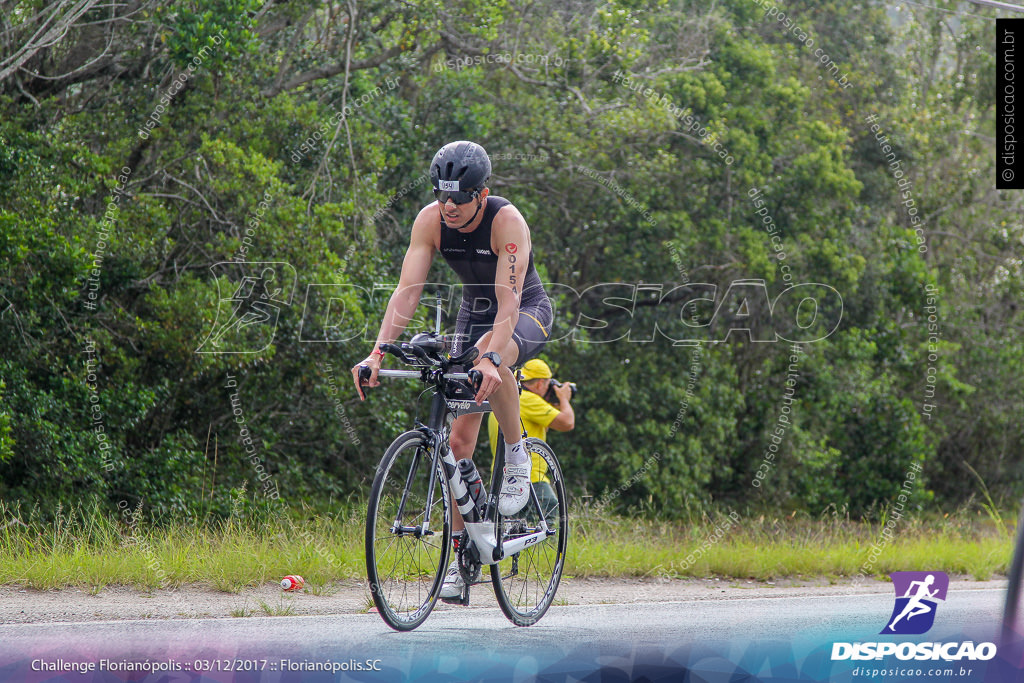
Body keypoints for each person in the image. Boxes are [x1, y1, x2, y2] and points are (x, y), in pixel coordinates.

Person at [351, 140, 553, 600]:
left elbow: (508, 302)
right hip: (473, 314)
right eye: (442, 195)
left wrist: (489, 358)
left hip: (524, 311)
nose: (449, 206)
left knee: (489, 356)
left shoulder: (507, 221)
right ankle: (464, 559)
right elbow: (407, 291)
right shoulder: (431, 219)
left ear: (482, 194)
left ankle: (517, 453)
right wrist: (377, 353)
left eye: (460, 197)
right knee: (457, 444)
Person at [487, 358, 574, 519]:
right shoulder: (529, 400)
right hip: (530, 477)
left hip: (501, 477)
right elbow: (567, 422)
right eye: (548, 385)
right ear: (540, 384)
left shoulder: (508, 401)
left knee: (513, 531)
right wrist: (563, 399)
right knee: (549, 513)